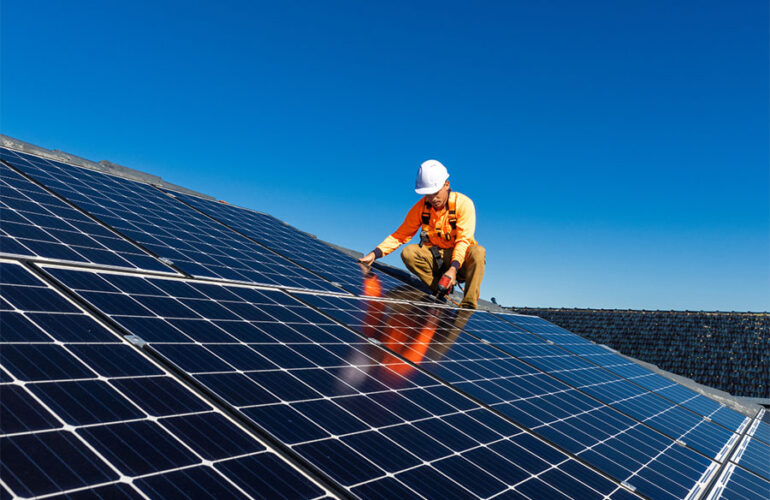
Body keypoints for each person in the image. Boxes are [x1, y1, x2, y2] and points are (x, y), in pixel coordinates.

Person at [358, 159, 486, 308]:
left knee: (478, 252)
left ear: (446, 185)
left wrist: (453, 269)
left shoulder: (463, 204)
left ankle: (468, 306)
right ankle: (440, 289)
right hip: (436, 259)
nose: (433, 199)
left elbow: (463, 241)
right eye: (428, 194)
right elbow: (400, 235)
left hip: (460, 262)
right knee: (409, 253)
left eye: (435, 193)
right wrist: (374, 254)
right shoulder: (421, 208)